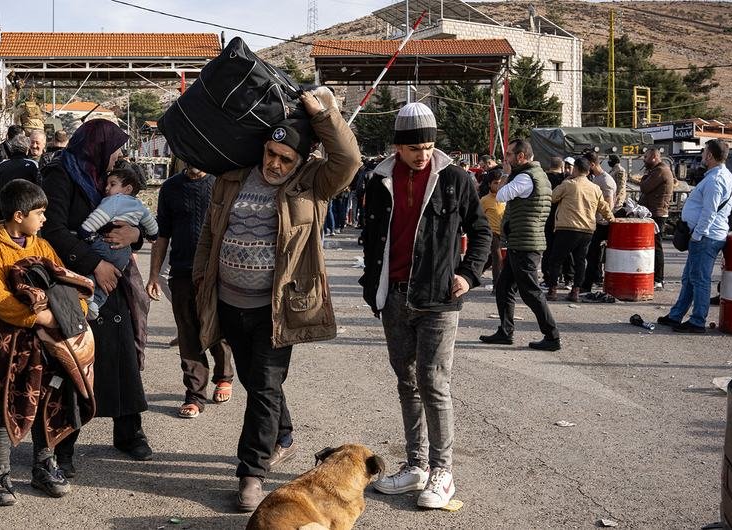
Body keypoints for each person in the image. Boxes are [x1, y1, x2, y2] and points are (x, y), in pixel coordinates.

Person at [193, 88, 362, 512]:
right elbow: (211, 235)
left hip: (277, 310)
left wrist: (323, 115)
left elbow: (349, 160)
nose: (275, 163)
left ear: (300, 161)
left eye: (285, 158)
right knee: (254, 380)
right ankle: (283, 433)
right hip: (230, 302)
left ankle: (251, 473)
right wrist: (201, 285)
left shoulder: (312, 184)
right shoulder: (233, 177)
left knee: (264, 388)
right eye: (271, 153)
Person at [359, 102, 489, 511]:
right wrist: (370, 284)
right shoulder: (378, 179)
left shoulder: (456, 179)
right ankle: (415, 465)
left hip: (439, 299)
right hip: (394, 296)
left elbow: (481, 231)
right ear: (398, 146)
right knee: (407, 382)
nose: (423, 154)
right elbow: (372, 234)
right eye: (415, 147)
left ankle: (442, 471)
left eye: (430, 146)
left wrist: (468, 274)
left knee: (434, 383)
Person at [41, 119, 156, 467]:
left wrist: (134, 236)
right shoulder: (60, 175)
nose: (118, 156)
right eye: (115, 148)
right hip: (77, 280)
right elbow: (53, 229)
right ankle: (63, 445)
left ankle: (128, 432)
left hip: (111, 282)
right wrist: (95, 264)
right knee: (74, 363)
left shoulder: (101, 180)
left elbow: (136, 221)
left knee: (121, 358)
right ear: (97, 146)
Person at [0, 179, 86, 504]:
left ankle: (43, 465)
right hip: (9, 341)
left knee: (46, 399)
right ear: (18, 215)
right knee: (7, 403)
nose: (43, 219)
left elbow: (66, 281)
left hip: (47, 342)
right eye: (39, 213)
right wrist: (41, 316)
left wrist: (73, 313)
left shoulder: (41, 246)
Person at [146, 165, 234, 418]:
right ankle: (195, 395)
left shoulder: (221, 182)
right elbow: (162, 235)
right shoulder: (171, 188)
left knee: (217, 328)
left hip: (216, 271)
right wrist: (153, 274)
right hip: (182, 271)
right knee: (187, 333)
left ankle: (224, 376)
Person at [480, 138, 561, 351]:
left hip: (525, 242)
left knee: (530, 292)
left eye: (509, 155)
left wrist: (506, 173)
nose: (505, 159)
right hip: (524, 240)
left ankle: (552, 336)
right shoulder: (538, 174)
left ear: (521, 157)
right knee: (504, 287)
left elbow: (502, 195)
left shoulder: (525, 177)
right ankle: (505, 331)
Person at [657, 139, 732, 333]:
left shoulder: (716, 180)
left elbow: (710, 211)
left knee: (699, 279)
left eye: (704, 152)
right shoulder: (719, 176)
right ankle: (676, 315)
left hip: (706, 236)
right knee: (690, 278)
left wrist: (698, 235)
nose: (702, 156)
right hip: (705, 235)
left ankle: (698, 320)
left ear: (710, 155)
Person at [78, 165, 158, 318]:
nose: (107, 188)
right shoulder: (140, 206)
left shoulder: (114, 200)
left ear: (127, 189)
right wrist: (152, 236)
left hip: (105, 243)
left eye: (112, 184)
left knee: (91, 268)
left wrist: (86, 232)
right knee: (109, 281)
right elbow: (152, 226)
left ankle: (86, 290)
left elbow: (99, 217)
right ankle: (96, 302)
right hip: (123, 254)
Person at [544, 157, 614, 303]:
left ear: (575, 169)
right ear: (589, 171)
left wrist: (565, 181)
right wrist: (612, 220)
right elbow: (604, 207)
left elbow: (553, 197)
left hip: (567, 228)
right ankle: (575, 291)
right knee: (580, 261)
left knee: (556, 259)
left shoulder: (569, 184)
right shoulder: (595, 188)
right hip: (587, 230)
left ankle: (552, 291)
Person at [638, 147, 674, 290]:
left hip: (657, 214)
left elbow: (645, 187)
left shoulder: (660, 171)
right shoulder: (657, 170)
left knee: (656, 247)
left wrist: (644, 178)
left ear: (654, 157)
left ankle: (659, 279)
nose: (644, 160)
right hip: (653, 212)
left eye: (646, 157)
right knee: (652, 247)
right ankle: (655, 277)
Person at [581, 152, 617, 294]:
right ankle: (593, 279)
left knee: (593, 255)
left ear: (592, 164)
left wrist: (602, 219)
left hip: (601, 224)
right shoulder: (597, 179)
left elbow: (608, 203)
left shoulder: (605, 181)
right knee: (592, 255)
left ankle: (587, 284)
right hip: (596, 221)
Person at [0, 133, 39, 221]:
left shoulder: (3, 165)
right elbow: (39, 187)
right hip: (26, 212)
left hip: (5, 212)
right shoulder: (33, 165)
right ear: (27, 149)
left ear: (11, 149)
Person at [480, 173, 506, 284]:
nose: (498, 185)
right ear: (490, 184)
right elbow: (479, 217)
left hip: (503, 233)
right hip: (491, 233)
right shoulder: (485, 200)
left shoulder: (506, 197)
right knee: (497, 257)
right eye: (495, 183)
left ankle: (474, 272)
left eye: (501, 183)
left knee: (491, 259)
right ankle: (497, 285)